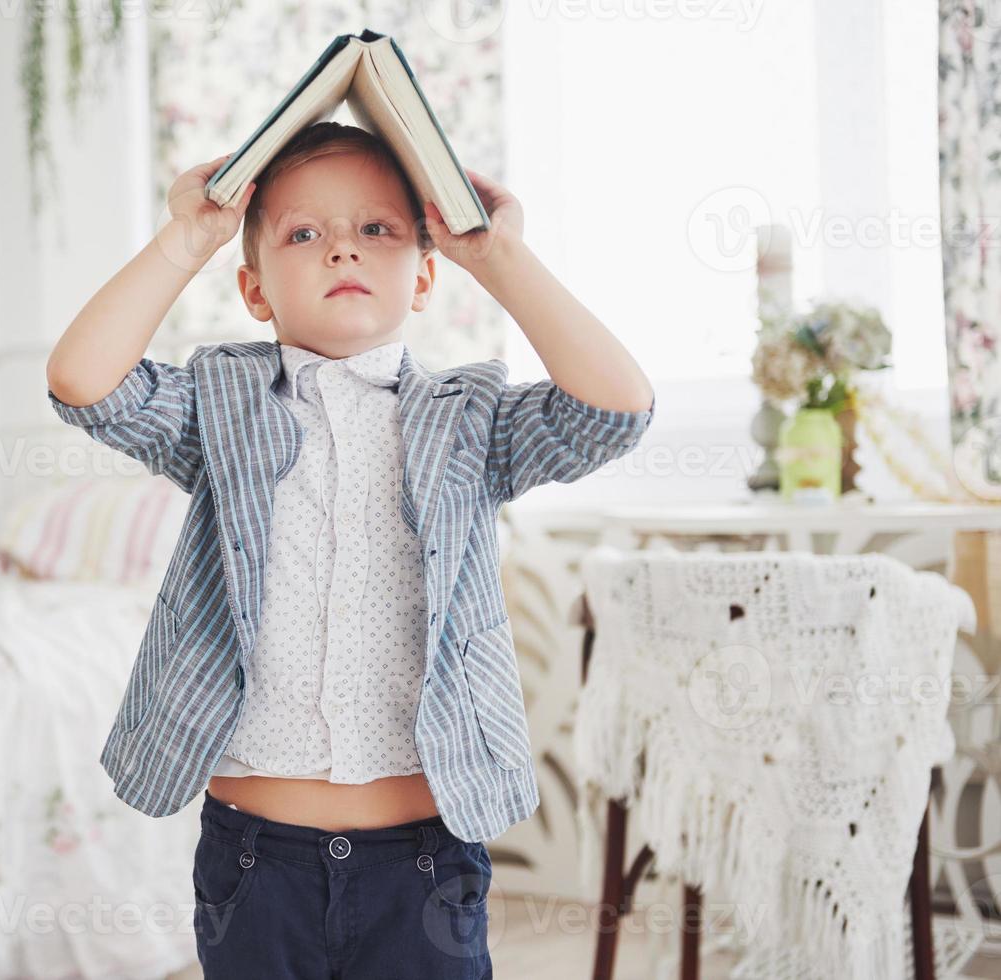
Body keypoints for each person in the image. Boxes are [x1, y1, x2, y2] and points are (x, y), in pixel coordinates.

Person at [46, 120, 655, 977]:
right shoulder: (219, 408)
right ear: (254, 291)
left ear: (425, 275)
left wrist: (501, 260)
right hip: (257, 865)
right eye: (304, 234)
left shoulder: (468, 418)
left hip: (423, 863)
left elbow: (614, 410)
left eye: (376, 229)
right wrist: (186, 240)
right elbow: (85, 384)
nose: (342, 251)